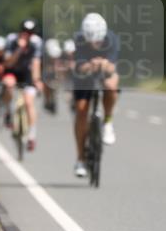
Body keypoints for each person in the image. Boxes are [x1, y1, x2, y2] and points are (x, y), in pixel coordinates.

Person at [71, 13, 119, 178]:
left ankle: (108, 122)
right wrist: (90, 65)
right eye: (91, 41)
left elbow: (112, 69)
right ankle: (80, 158)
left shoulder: (112, 39)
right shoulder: (78, 39)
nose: (94, 44)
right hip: (84, 74)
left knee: (111, 85)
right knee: (81, 109)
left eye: (97, 41)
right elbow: (78, 67)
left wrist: (104, 64)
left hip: (105, 71)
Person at [1, 19, 44, 150]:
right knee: (8, 85)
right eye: (24, 32)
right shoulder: (11, 39)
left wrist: (37, 80)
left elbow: (36, 62)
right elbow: (8, 63)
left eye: (29, 33)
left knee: (29, 102)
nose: (26, 35)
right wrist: (19, 49)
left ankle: (31, 135)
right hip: (12, 71)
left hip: (27, 73)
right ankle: (8, 112)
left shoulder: (37, 42)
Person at [42, 38, 64, 114]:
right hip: (47, 72)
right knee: (46, 84)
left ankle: (53, 97)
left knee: (55, 83)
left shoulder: (59, 54)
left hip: (54, 72)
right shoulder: (44, 56)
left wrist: (59, 76)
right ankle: (47, 99)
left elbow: (61, 67)